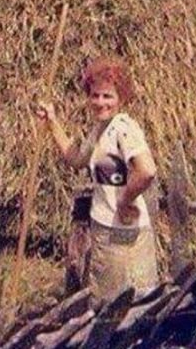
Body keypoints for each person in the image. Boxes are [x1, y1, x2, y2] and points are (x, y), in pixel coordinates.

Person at [36, 56, 158, 300]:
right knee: (120, 305)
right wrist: (52, 122)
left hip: (122, 234)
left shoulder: (123, 127)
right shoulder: (100, 130)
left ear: (121, 98)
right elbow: (76, 159)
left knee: (119, 305)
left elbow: (146, 171)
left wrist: (125, 200)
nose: (100, 102)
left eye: (108, 96)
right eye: (95, 95)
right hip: (105, 230)